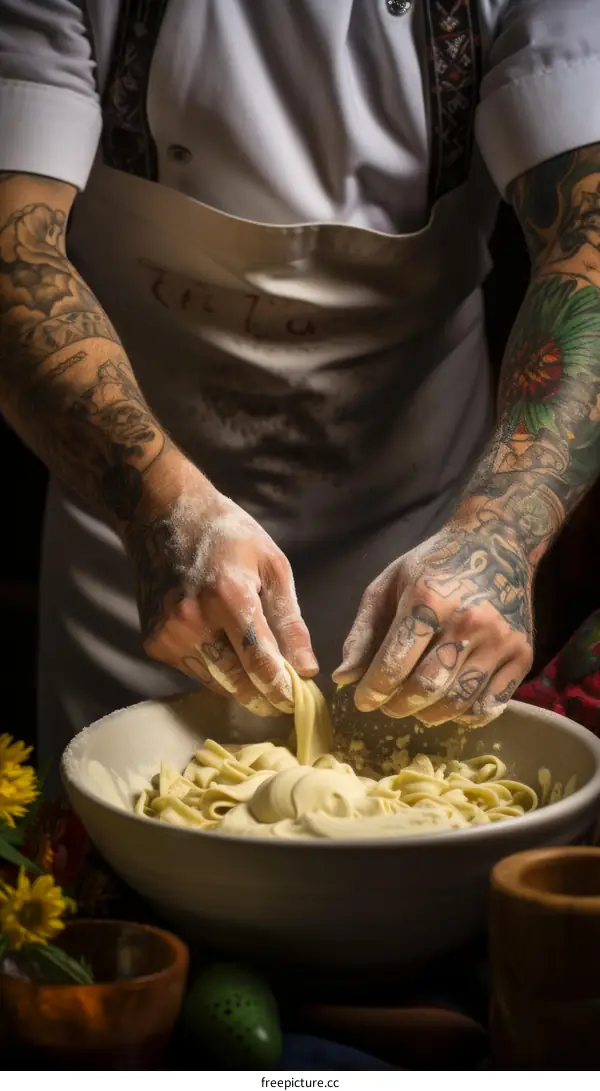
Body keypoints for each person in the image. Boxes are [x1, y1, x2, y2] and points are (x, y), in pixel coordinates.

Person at [1, 0, 600, 773]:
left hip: (427, 525)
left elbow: (588, 248)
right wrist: (160, 509)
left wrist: (501, 536)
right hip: (132, 528)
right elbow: (14, 258)